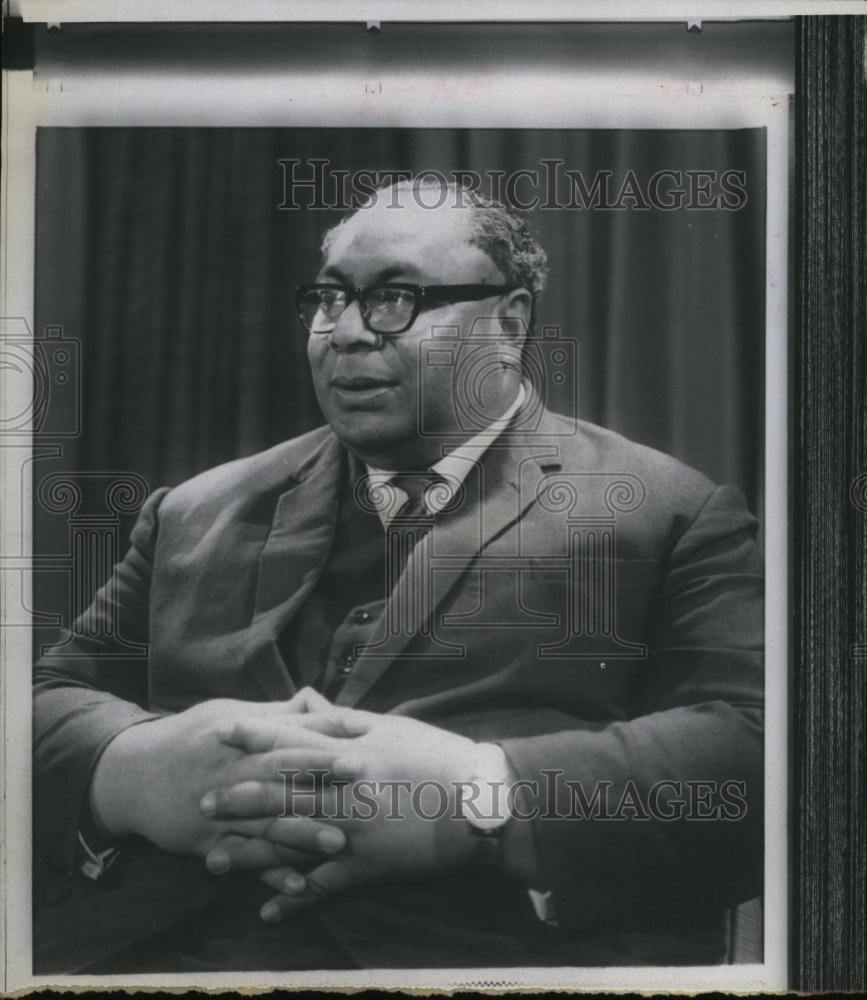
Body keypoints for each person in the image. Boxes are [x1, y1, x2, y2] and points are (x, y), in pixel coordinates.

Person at [33, 180, 763, 972]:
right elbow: (42, 707)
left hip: (490, 964)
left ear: (508, 322)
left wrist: (476, 799)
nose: (344, 333)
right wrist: (131, 769)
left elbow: (757, 758)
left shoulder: (669, 512)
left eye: (394, 299)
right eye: (328, 299)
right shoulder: (194, 510)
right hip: (160, 958)